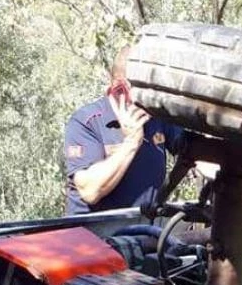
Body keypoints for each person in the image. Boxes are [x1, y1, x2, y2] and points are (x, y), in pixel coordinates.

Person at [64, 46, 184, 215]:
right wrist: (131, 142)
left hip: (144, 229)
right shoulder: (86, 122)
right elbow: (90, 191)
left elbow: (194, 151)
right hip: (94, 234)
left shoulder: (155, 115)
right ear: (118, 88)